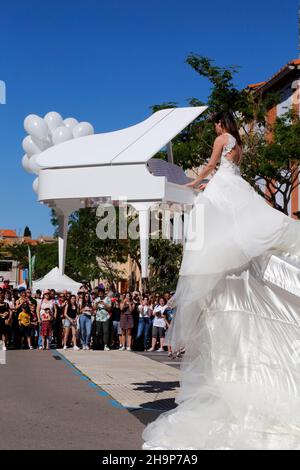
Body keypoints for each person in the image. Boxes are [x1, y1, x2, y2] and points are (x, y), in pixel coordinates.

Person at [143, 111, 300, 450]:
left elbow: (211, 167)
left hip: (223, 187)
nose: (214, 127)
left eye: (216, 123)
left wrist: (192, 183)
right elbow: (228, 166)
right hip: (237, 186)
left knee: (211, 232)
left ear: (221, 124)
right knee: (240, 228)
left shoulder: (221, 140)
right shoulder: (240, 145)